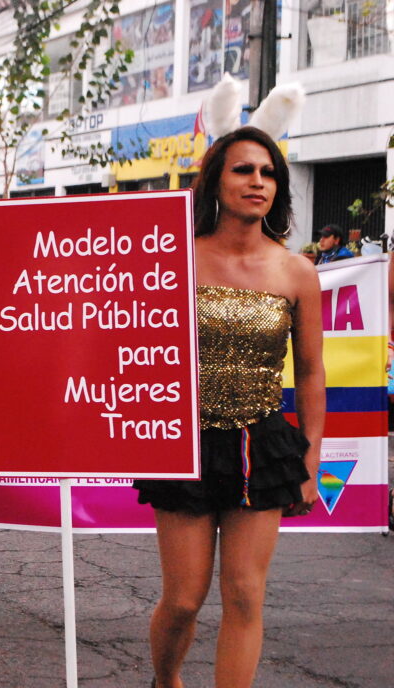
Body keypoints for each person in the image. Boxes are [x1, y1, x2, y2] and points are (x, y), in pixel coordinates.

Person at [132, 126, 324, 688]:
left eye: (268, 173)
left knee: (244, 594)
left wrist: (312, 459)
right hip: (184, 444)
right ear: (216, 179)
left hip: (262, 445)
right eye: (244, 170)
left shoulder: (297, 272)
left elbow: (311, 374)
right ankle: (166, 680)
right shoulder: (173, 260)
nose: (257, 182)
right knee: (185, 598)